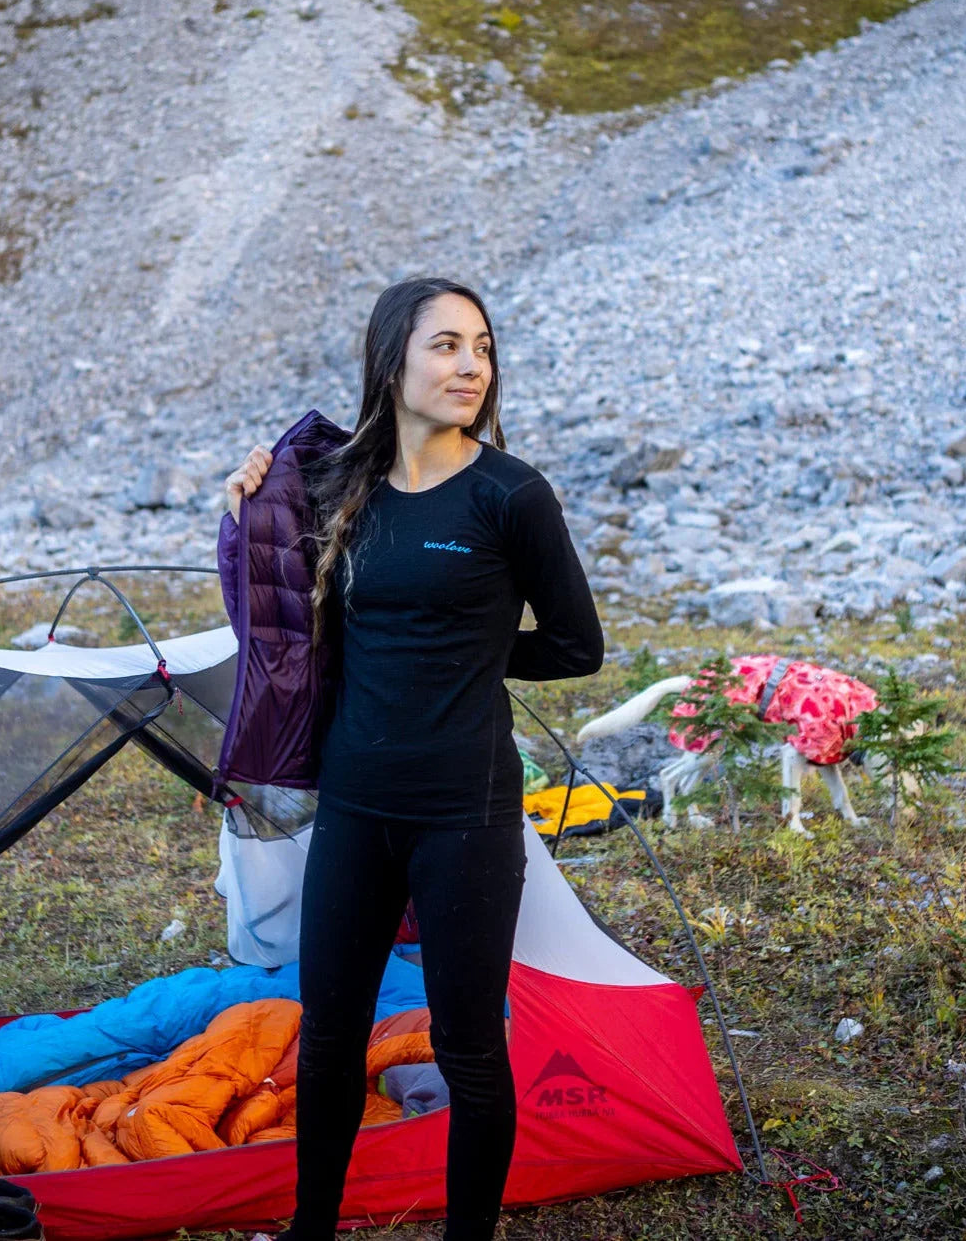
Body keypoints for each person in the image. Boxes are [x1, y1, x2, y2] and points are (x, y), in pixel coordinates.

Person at [223, 276, 604, 1241]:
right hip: (355, 804)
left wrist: (470, 651)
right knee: (330, 1034)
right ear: (392, 360)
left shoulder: (509, 494)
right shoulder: (336, 486)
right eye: (445, 345)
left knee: (469, 1047)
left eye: (480, 345)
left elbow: (574, 646)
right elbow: (275, 607)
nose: (469, 364)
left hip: (462, 812)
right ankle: (312, 1228)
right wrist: (245, 503)